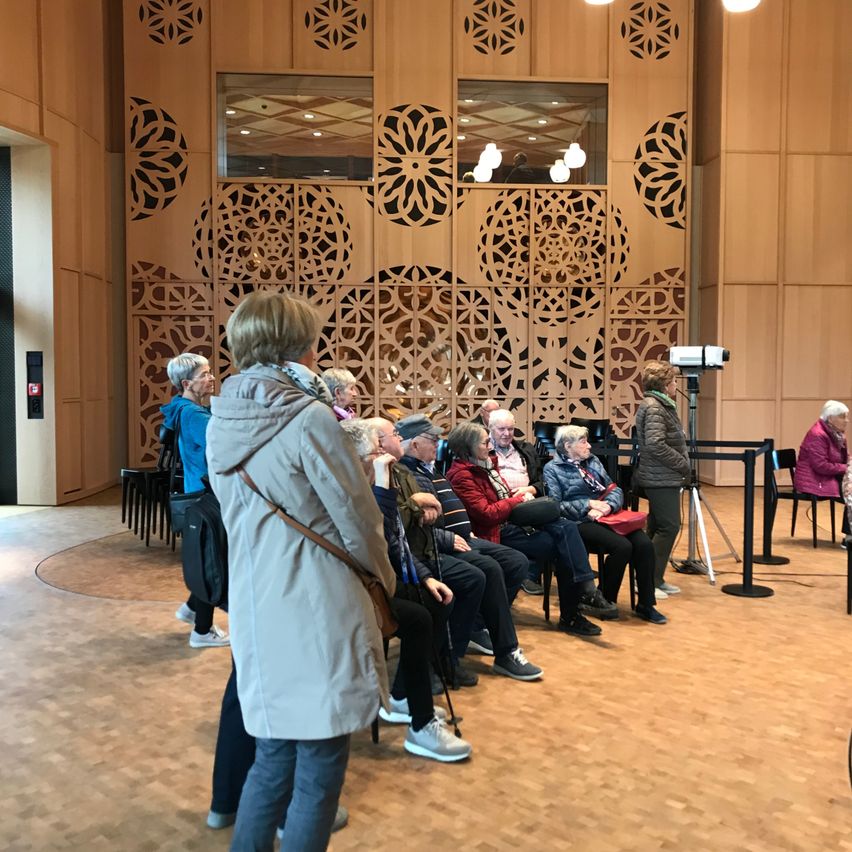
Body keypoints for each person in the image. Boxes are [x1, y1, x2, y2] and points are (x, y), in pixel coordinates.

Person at [206, 291, 397, 851]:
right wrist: (383, 578)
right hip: (316, 600)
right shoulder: (309, 416)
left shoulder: (222, 417)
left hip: (255, 599)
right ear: (297, 344)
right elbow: (356, 515)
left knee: (271, 757)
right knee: (320, 761)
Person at [340, 419, 472, 761]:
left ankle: (403, 694)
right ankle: (420, 723)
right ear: (357, 457)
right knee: (418, 618)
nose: (381, 453)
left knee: (435, 599)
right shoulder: (354, 488)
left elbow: (398, 543)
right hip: (352, 588)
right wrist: (383, 486)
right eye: (375, 449)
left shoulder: (377, 479)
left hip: (378, 579)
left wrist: (425, 575)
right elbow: (377, 534)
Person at [395, 413, 543, 681]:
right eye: (432, 439)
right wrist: (447, 537)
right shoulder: (406, 473)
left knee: (516, 561)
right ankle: (503, 651)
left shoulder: (429, 467)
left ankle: (478, 626)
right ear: (414, 444)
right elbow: (410, 527)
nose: (438, 444)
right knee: (488, 569)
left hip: (464, 536)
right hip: (442, 544)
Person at [446, 421, 615, 637]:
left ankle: (581, 599)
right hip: (493, 531)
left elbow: (505, 497)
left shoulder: (486, 465)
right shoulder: (463, 475)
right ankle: (578, 604)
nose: (489, 445)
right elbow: (487, 515)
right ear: (468, 446)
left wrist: (520, 497)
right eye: (484, 441)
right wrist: (516, 501)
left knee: (567, 529)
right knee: (563, 543)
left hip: (510, 522)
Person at [364, 417, 484, 689]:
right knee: (436, 600)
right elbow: (386, 530)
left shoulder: (403, 473)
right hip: (395, 563)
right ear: (377, 445)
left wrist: (422, 508)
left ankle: (445, 661)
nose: (400, 438)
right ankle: (415, 678)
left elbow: (429, 514)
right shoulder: (371, 476)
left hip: (420, 549)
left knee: (472, 579)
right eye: (395, 434)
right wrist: (415, 506)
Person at [543, 425, 667, 625]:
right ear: (568, 446)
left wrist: (607, 506)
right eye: (583, 442)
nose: (589, 446)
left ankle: (646, 603)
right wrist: (588, 504)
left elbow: (614, 489)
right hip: (579, 521)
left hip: (607, 516)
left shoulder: (593, 461)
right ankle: (604, 599)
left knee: (644, 545)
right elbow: (555, 505)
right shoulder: (553, 469)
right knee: (622, 547)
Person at [160, 353, 229, 649]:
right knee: (213, 561)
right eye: (204, 374)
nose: (211, 378)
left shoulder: (182, 409)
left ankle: (191, 609)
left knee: (207, 556)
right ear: (187, 383)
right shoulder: (194, 415)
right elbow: (219, 450)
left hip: (196, 491)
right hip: (206, 492)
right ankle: (202, 630)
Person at [633, 360, 691, 600]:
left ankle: (653, 578)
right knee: (670, 526)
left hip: (662, 476)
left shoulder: (659, 405)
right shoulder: (655, 407)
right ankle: (648, 581)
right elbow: (656, 445)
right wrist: (681, 462)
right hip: (660, 477)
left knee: (657, 527)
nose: (677, 385)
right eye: (674, 381)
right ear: (665, 384)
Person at [794, 400, 849, 499]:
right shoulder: (817, 435)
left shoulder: (837, 434)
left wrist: (849, 464)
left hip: (828, 476)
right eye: (842, 417)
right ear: (830, 418)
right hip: (815, 480)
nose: (846, 420)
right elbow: (820, 466)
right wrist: (845, 467)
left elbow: (844, 458)